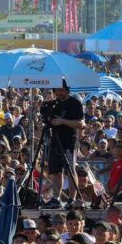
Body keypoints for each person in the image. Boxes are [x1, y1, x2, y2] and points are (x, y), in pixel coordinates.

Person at [43, 80, 85, 208]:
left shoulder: (75, 103)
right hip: (55, 141)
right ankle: (56, 198)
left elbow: (81, 125)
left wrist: (62, 121)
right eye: (57, 91)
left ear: (67, 90)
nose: (59, 93)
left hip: (69, 141)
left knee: (70, 171)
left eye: (62, 90)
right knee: (56, 171)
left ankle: (72, 199)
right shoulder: (54, 104)